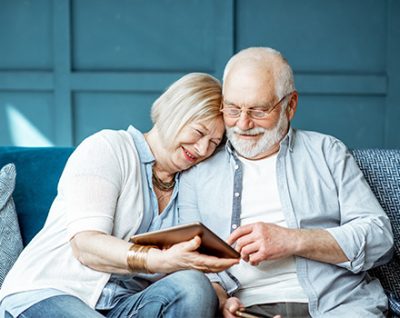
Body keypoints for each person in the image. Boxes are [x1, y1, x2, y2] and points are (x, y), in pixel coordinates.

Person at [0, 72, 239, 318]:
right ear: (174, 112)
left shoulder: (190, 186)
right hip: (52, 291)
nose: (202, 149)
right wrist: (158, 260)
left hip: (125, 306)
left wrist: (221, 300)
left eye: (213, 142)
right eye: (199, 133)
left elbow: (199, 266)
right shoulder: (108, 147)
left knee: (193, 286)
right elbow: (86, 245)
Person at [178, 48, 394, 318]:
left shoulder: (328, 152)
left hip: (338, 306)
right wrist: (220, 299)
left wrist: (293, 239)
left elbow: (379, 238)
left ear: (290, 105)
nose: (243, 124)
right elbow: (191, 261)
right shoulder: (197, 173)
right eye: (233, 109)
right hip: (248, 311)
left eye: (258, 110)